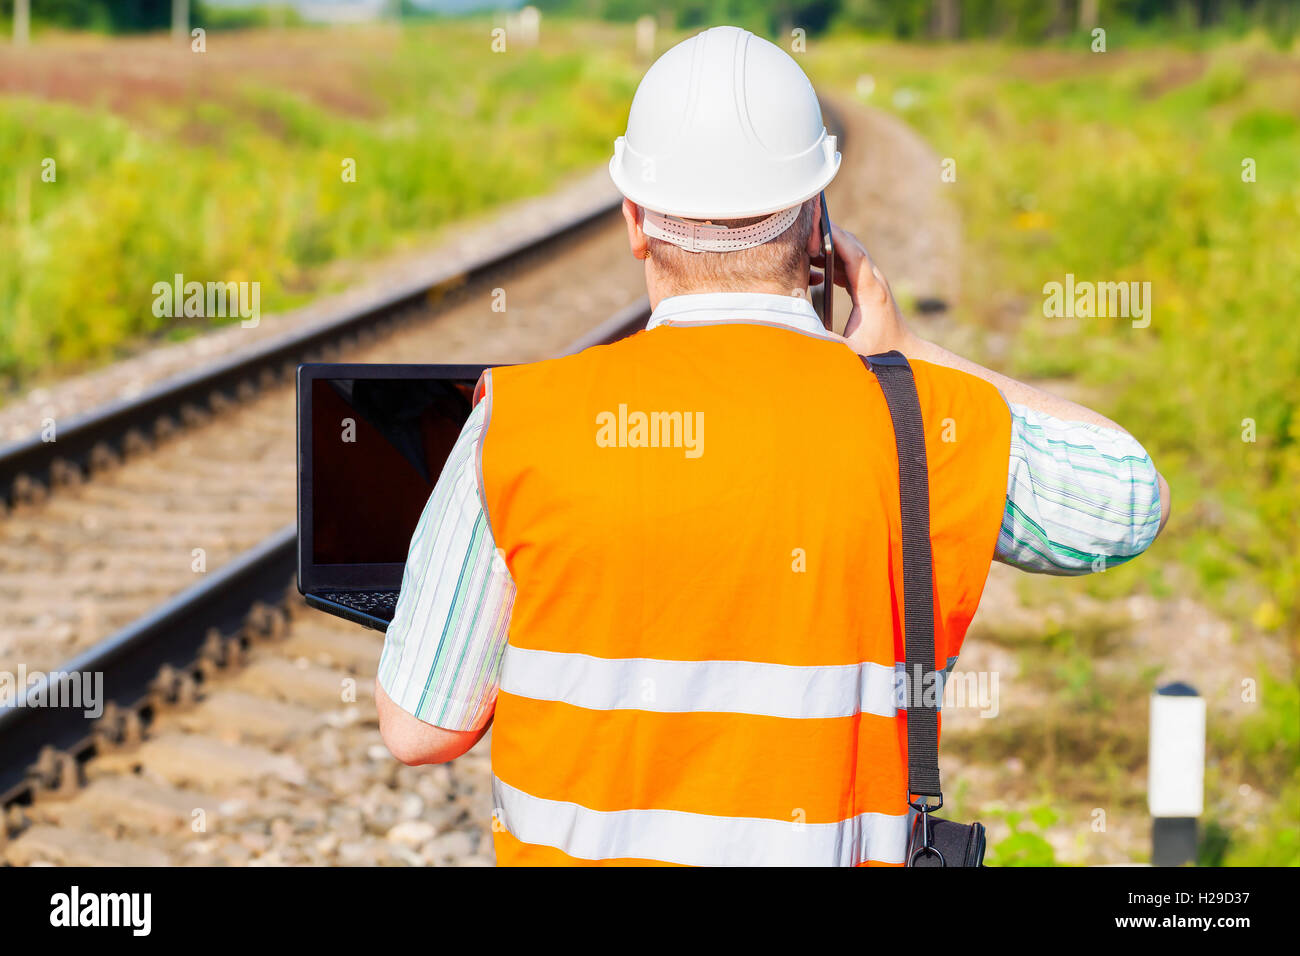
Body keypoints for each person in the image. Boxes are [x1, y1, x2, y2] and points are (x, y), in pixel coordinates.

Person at [375, 25, 1170, 866]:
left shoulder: (520, 423)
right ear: (819, 221)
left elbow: (419, 728)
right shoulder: (917, 424)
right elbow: (1126, 498)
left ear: (636, 221)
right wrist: (909, 353)